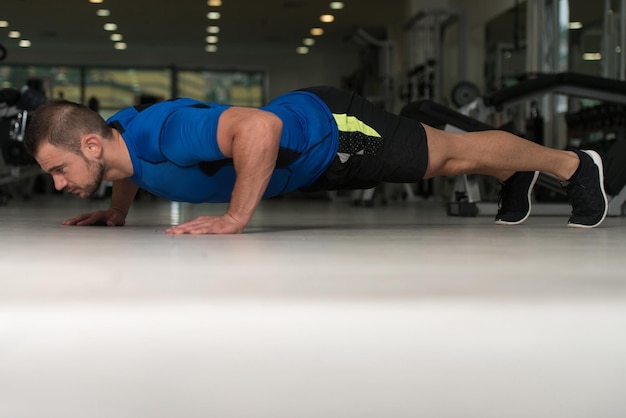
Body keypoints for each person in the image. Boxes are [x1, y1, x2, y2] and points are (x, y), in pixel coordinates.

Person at [23, 86, 608, 234]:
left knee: (451, 158)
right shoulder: (119, 140)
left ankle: (572, 166)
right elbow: (131, 168)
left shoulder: (167, 131)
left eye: (59, 168)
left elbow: (259, 127)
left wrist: (234, 218)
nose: (57, 183)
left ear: (90, 148)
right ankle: (517, 178)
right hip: (317, 161)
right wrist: (117, 213)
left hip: (332, 131)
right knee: (450, 161)